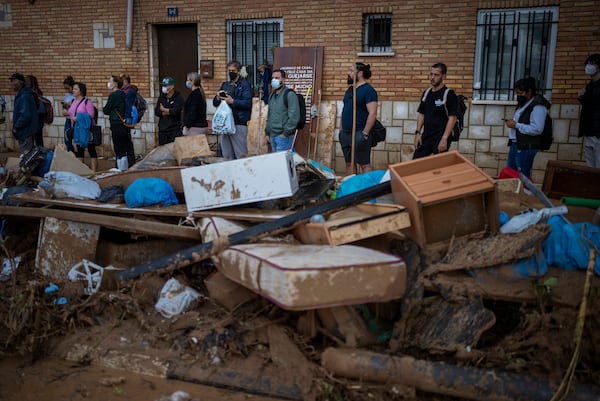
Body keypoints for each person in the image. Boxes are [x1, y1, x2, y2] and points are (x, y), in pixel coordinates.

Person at [503, 77, 550, 178]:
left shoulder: (538, 107)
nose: (518, 96)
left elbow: (537, 129)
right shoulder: (524, 104)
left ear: (529, 91)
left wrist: (516, 125)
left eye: (520, 93)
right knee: (510, 175)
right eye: (517, 93)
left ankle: (525, 193)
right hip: (516, 144)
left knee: (523, 177)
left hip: (526, 147)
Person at [413, 62, 458, 160]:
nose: (432, 77)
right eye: (431, 74)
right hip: (426, 136)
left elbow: (453, 118)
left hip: (440, 136)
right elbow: (421, 114)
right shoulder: (427, 93)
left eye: (436, 75)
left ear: (444, 76)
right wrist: (417, 133)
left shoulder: (448, 94)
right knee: (415, 163)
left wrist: (445, 138)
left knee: (436, 166)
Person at [339, 62, 378, 175]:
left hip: (359, 133)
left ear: (360, 73)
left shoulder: (368, 90)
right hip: (345, 134)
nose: (348, 73)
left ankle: (368, 190)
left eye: (351, 71)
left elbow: (373, 113)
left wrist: (365, 133)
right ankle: (353, 190)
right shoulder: (350, 90)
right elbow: (345, 109)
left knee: (364, 164)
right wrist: (341, 130)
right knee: (349, 164)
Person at [212, 60, 252, 159]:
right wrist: (217, 97)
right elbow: (215, 103)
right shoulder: (225, 85)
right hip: (225, 124)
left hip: (238, 122)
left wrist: (233, 101)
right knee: (226, 153)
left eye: (233, 70)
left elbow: (247, 103)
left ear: (238, 71)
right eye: (229, 70)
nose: (231, 72)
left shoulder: (244, 85)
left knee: (240, 153)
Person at [264, 68, 300, 153]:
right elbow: (270, 115)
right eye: (273, 78)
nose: (274, 80)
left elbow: (294, 117)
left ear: (283, 80)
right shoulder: (272, 96)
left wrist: (285, 134)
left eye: (277, 78)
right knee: (277, 162)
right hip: (272, 136)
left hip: (283, 137)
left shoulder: (289, 94)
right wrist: (267, 132)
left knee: (284, 163)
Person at [68, 82, 98, 171]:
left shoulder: (87, 102)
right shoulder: (73, 101)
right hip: (77, 129)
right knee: (79, 150)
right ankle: (81, 170)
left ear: (80, 91)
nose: (73, 90)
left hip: (87, 129)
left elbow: (91, 115)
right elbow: (71, 113)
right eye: (73, 89)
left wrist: (78, 118)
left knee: (91, 149)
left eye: (75, 89)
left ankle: (93, 171)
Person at [103, 75, 131, 171]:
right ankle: (124, 168)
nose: (108, 83)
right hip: (123, 124)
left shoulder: (114, 95)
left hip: (116, 123)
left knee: (119, 149)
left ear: (115, 83)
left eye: (110, 81)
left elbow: (106, 110)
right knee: (123, 148)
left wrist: (106, 109)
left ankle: (121, 170)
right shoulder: (123, 93)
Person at [578, 53, 600, 168]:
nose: (588, 66)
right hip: (589, 131)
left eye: (592, 64)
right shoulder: (590, 85)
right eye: (587, 64)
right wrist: (582, 97)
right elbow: (589, 106)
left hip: (598, 133)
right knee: (590, 168)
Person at [9, 72, 39, 155]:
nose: (12, 83)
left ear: (21, 82)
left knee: (26, 155)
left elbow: (25, 115)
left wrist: (16, 127)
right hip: (25, 130)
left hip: (26, 131)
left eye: (14, 80)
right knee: (27, 155)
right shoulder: (22, 94)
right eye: (11, 81)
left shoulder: (24, 95)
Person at [154, 76, 184, 146]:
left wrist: (165, 110)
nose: (164, 87)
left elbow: (176, 111)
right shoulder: (161, 97)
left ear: (172, 86)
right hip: (163, 130)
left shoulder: (178, 98)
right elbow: (157, 111)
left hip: (174, 130)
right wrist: (165, 113)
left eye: (166, 85)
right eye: (163, 85)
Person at [120, 73, 138, 167]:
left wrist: (126, 119)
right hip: (127, 117)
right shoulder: (127, 91)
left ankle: (131, 161)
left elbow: (128, 106)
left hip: (128, 118)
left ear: (126, 82)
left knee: (127, 140)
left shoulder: (130, 92)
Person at [24, 75, 45, 147]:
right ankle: (41, 155)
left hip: (33, 119)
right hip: (39, 119)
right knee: (39, 139)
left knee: (31, 141)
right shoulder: (38, 92)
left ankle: (34, 156)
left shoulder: (30, 93)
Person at [62, 76, 76, 152]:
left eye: (68, 88)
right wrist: (64, 108)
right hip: (68, 119)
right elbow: (64, 107)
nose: (67, 90)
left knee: (76, 138)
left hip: (75, 120)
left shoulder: (77, 95)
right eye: (65, 88)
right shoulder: (67, 96)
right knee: (66, 138)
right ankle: (71, 151)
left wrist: (70, 104)